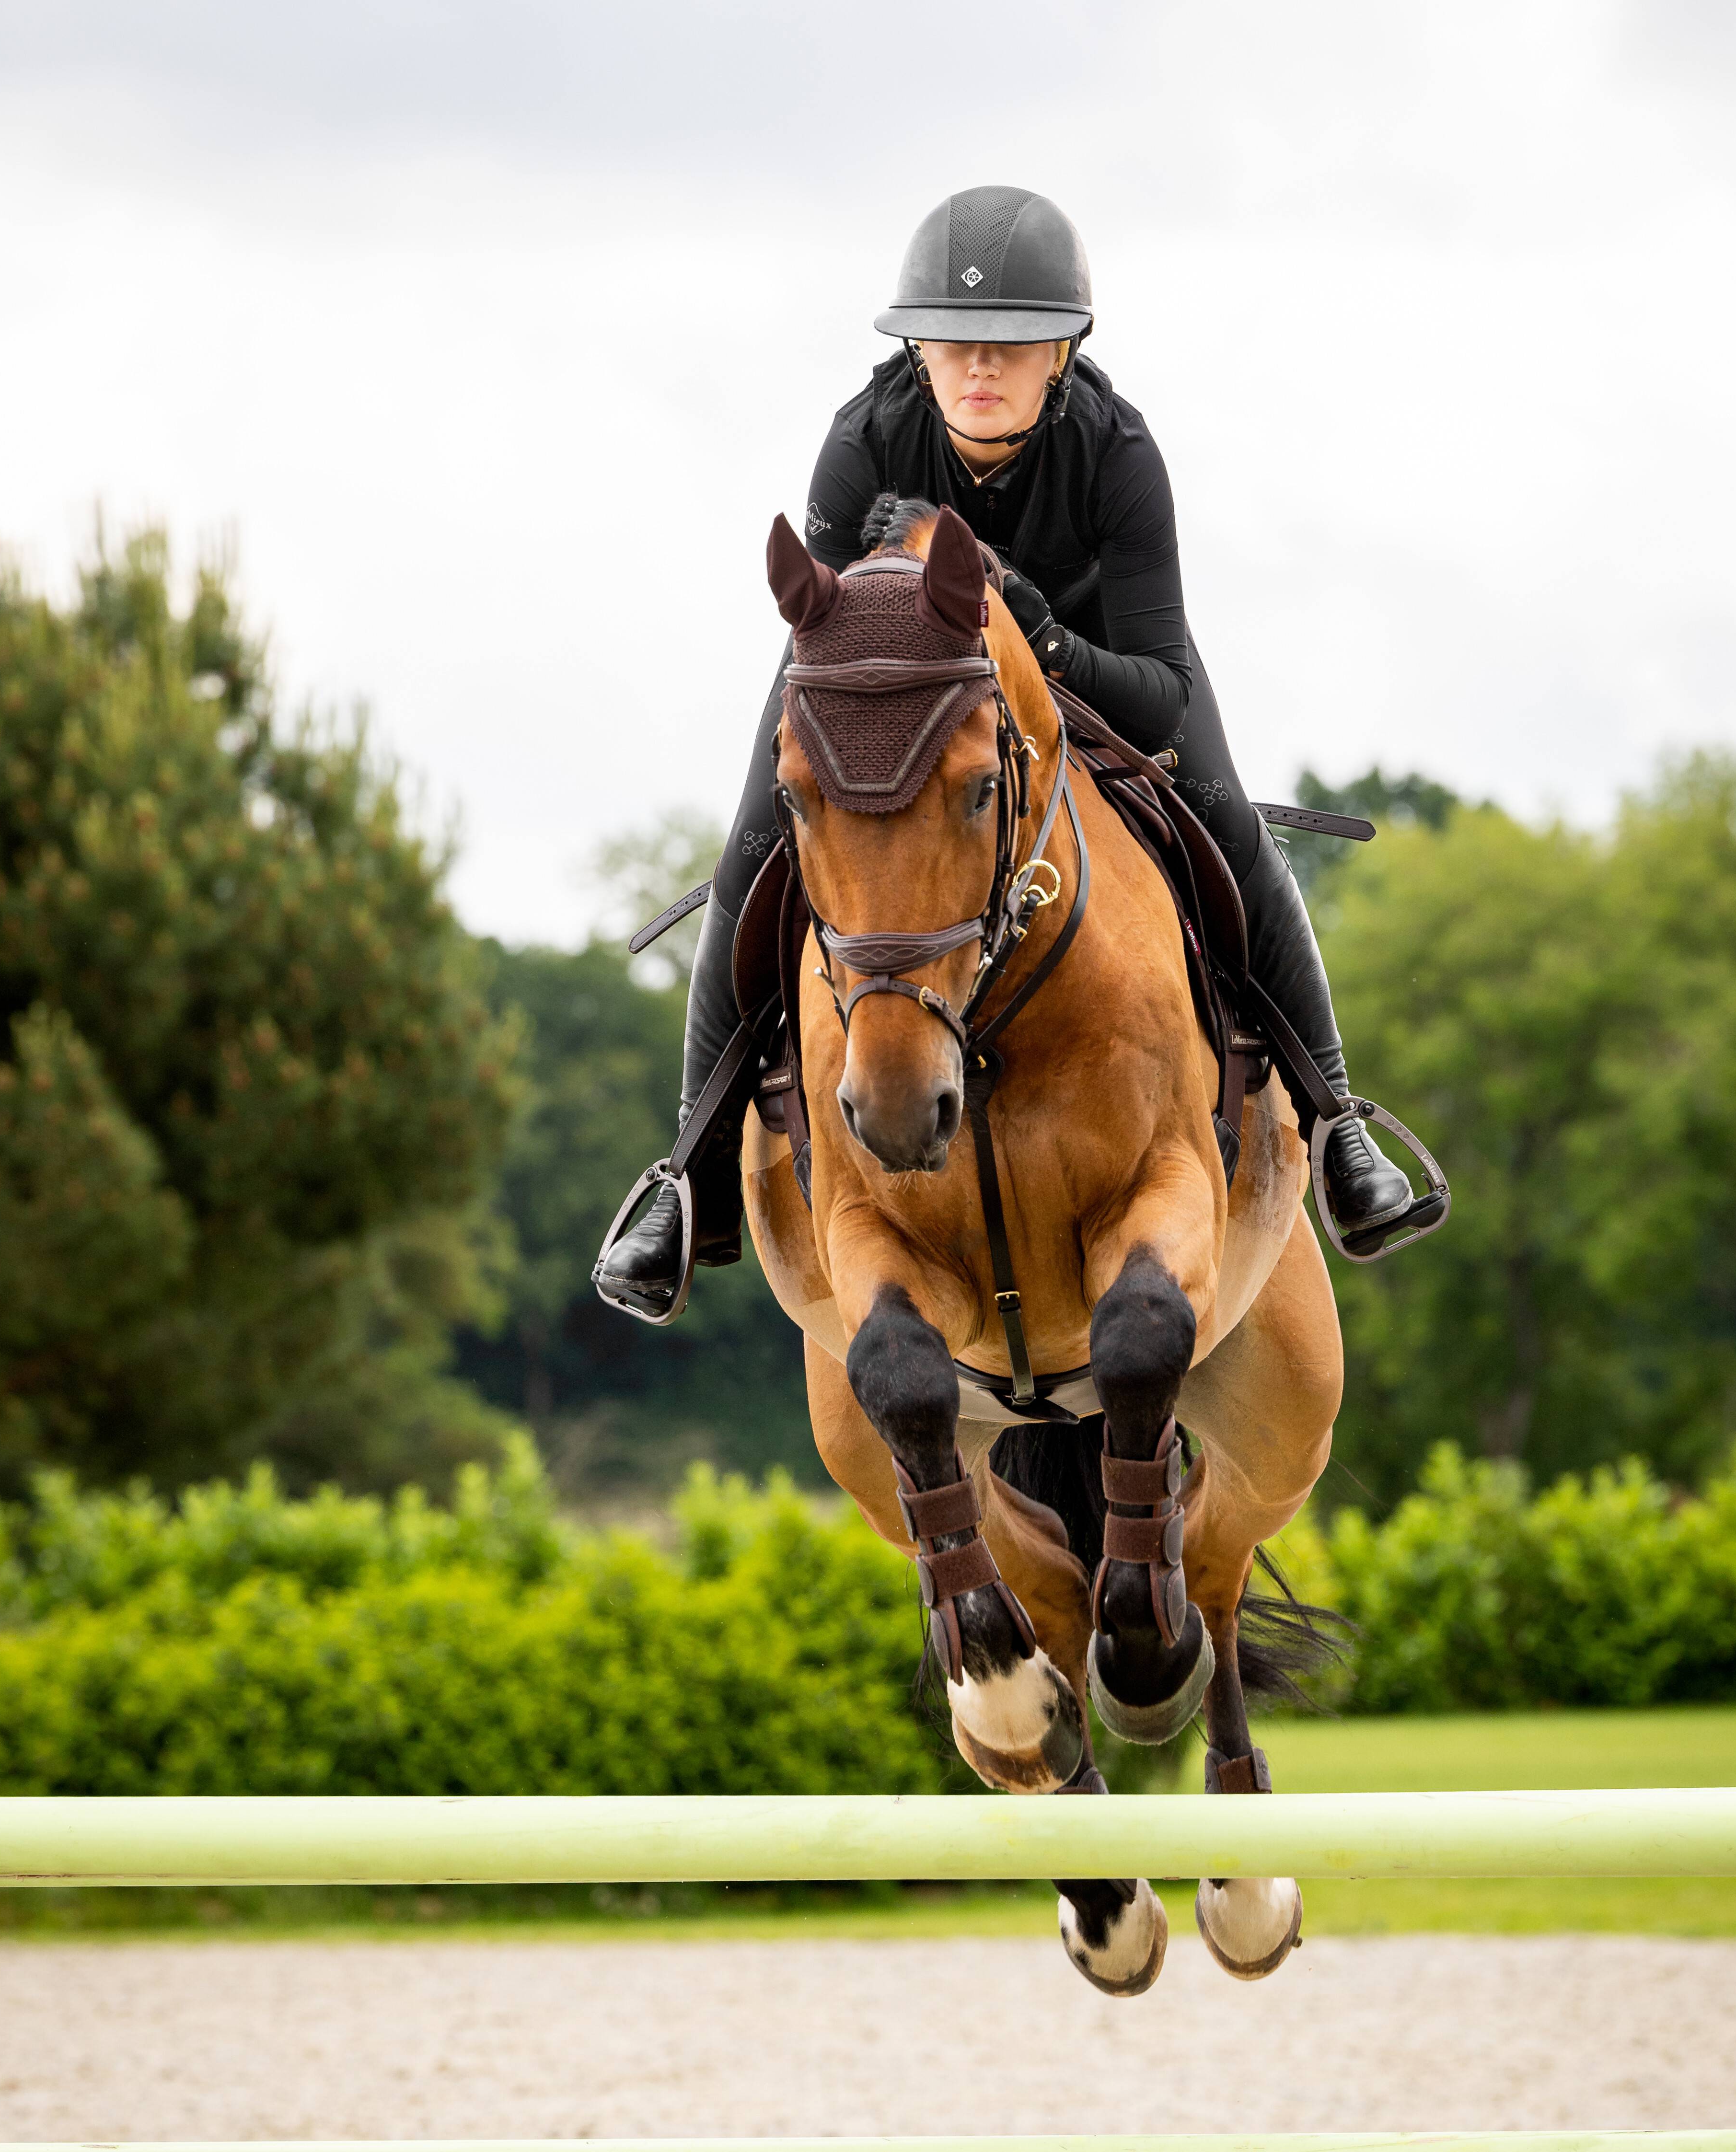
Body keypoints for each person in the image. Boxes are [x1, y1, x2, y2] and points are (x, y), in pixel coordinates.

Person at [596, 185, 1445, 1315]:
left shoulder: (1120, 451)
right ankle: (688, 1176)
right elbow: (842, 636)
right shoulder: (862, 441)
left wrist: (1041, 639)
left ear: (1063, 352)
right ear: (919, 352)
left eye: (1010, 346)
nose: (978, 368)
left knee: (1231, 822)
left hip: (1095, 657)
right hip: (893, 679)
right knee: (756, 843)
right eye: (952, 345)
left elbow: (1156, 692)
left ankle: (1338, 1123)